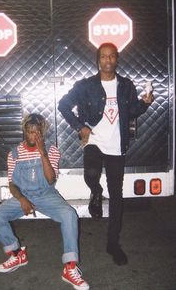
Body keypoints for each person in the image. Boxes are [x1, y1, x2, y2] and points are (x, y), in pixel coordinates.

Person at [58, 42, 154, 266]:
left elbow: (131, 112)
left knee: (117, 195)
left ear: (116, 59)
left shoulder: (126, 85)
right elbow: (63, 105)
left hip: (117, 146)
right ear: (98, 60)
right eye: (103, 57)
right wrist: (80, 126)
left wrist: (145, 104)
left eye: (112, 57)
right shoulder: (86, 86)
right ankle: (95, 191)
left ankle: (113, 244)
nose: (108, 60)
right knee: (91, 173)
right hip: (94, 140)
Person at [0, 113, 89, 290]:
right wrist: (21, 199)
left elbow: (50, 180)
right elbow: (11, 184)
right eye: (29, 131)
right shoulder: (14, 154)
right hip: (23, 195)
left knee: (69, 215)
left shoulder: (51, 150)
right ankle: (17, 254)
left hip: (46, 194)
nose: (33, 135)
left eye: (37, 132)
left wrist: (43, 153)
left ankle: (70, 268)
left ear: (42, 132)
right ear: (24, 132)